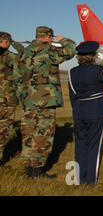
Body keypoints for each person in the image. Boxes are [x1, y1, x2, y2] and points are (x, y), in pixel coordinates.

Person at [18, 26, 76, 178]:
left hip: (28, 100)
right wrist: (63, 40)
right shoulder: (48, 50)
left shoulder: (24, 52)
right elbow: (71, 50)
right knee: (43, 134)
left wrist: (23, 95)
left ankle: (28, 168)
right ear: (48, 36)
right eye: (51, 37)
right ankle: (37, 170)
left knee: (28, 133)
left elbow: (17, 76)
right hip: (45, 100)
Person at [68, 41, 103, 185]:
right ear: (94, 55)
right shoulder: (98, 70)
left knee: (80, 145)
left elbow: (72, 95)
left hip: (79, 110)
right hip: (96, 110)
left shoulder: (72, 72)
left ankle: (79, 178)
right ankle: (90, 180)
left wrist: (78, 109)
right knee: (95, 145)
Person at [0, 32, 23, 168]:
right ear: (7, 42)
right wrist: (17, 45)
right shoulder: (9, 56)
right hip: (5, 99)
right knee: (3, 129)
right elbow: (23, 57)